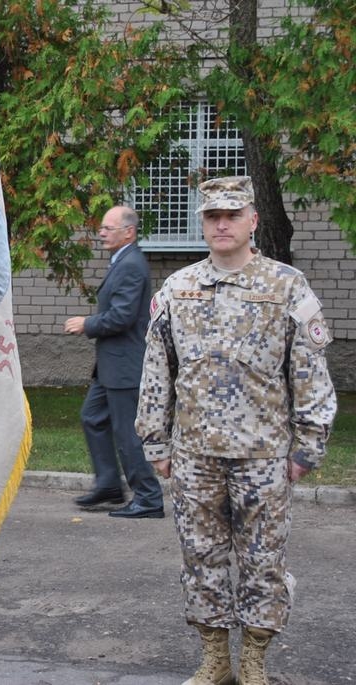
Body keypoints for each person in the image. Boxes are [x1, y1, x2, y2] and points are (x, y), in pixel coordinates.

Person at [135, 176, 336, 685]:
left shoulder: (287, 285)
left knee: (262, 561)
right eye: (211, 216)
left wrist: (307, 447)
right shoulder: (178, 289)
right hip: (195, 455)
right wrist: (155, 441)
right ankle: (215, 659)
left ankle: (254, 664)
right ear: (202, 223)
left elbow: (310, 373)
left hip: (264, 456)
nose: (221, 223)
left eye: (232, 214)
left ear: (253, 220)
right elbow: (158, 370)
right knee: (200, 558)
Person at [64, 206, 164, 518]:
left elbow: (122, 316)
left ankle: (148, 498)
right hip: (110, 368)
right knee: (93, 417)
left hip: (125, 366)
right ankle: (108, 484)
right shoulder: (122, 261)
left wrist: (87, 324)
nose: (102, 233)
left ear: (128, 232)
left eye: (108, 228)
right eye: (103, 227)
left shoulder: (131, 264)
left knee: (126, 432)